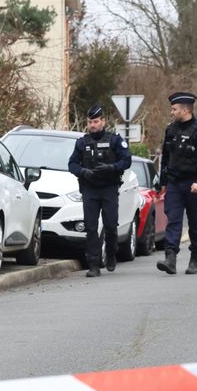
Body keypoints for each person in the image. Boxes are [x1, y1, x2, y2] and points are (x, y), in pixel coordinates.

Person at [66, 106, 132, 277]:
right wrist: (83, 172)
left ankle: (110, 254)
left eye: (96, 122)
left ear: (103, 121)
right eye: (90, 122)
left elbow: (127, 160)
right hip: (90, 189)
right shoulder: (82, 142)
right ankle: (93, 265)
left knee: (110, 226)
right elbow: (71, 164)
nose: (93, 125)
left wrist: (112, 167)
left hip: (109, 189)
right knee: (91, 227)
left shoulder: (115, 140)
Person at [157, 91, 197, 275]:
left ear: (185, 110)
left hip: (194, 185)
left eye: (174, 109)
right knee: (173, 221)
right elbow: (165, 158)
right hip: (175, 183)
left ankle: (195, 259)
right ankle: (170, 258)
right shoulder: (171, 130)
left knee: (194, 223)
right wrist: (163, 182)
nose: (171, 112)